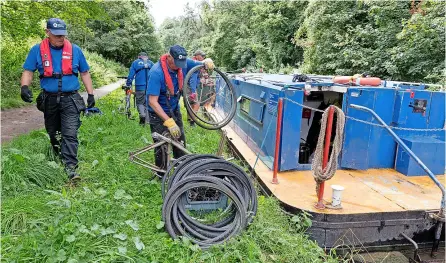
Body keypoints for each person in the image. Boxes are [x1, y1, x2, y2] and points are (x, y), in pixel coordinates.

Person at [20, 18, 95, 181]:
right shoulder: (37, 50)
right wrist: (24, 87)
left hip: (71, 99)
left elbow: (85, 73)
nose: (60, 38)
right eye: (56, 35)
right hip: (49, 99)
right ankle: (57, 153)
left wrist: (90, 94)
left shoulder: (75, 50)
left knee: (70, 133)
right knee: (53, 133)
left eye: (63, 35)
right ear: (47, 32)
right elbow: (28, 71)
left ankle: (71, 168)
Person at [146, 45, 214, 174]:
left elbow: (200, 64)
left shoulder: (183, 62)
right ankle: (161, 173)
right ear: (169, 57)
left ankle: (181, 170)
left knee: (180, 141)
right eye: (176, 63)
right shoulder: (156, 72)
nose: (179, 66)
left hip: (174, 109)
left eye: (181, 63)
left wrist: (206, 62)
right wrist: (168, 122)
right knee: (161, 144)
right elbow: (152, 102)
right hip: (158, 112)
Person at [125, 52, 154, 125]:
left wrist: (128, 84)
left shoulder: (135, 63)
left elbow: (131, 75)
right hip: (150, 87)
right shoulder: (151, 63)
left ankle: (142, 115)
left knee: (140, 102)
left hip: (140, 87)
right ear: (147, 57)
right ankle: (147, 121)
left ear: (139, 57)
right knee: (148, 103)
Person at [186, 50, 206, 126]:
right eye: (202, 56)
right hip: (190, 87)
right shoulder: (194, 65)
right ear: (197, 56)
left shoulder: (193, 63)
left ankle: (189, 119)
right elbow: (192, 79)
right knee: (196, 104)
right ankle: (192, 122)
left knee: (190, 104)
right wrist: (193, 91)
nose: (203, 57)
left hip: (187, 86)